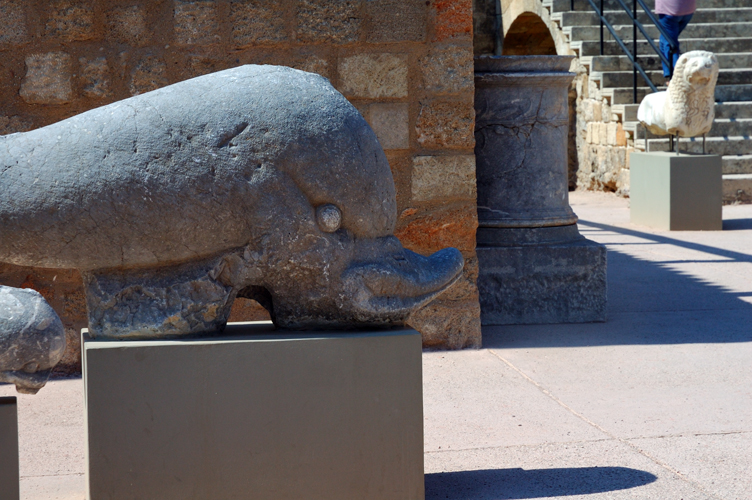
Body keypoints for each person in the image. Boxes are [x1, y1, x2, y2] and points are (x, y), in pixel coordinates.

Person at [655, 0, 696, 85]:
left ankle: (675, 77)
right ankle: (668, 74)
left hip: (669, 9)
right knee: (665, 39)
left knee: (670, 43)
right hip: (688, 9)